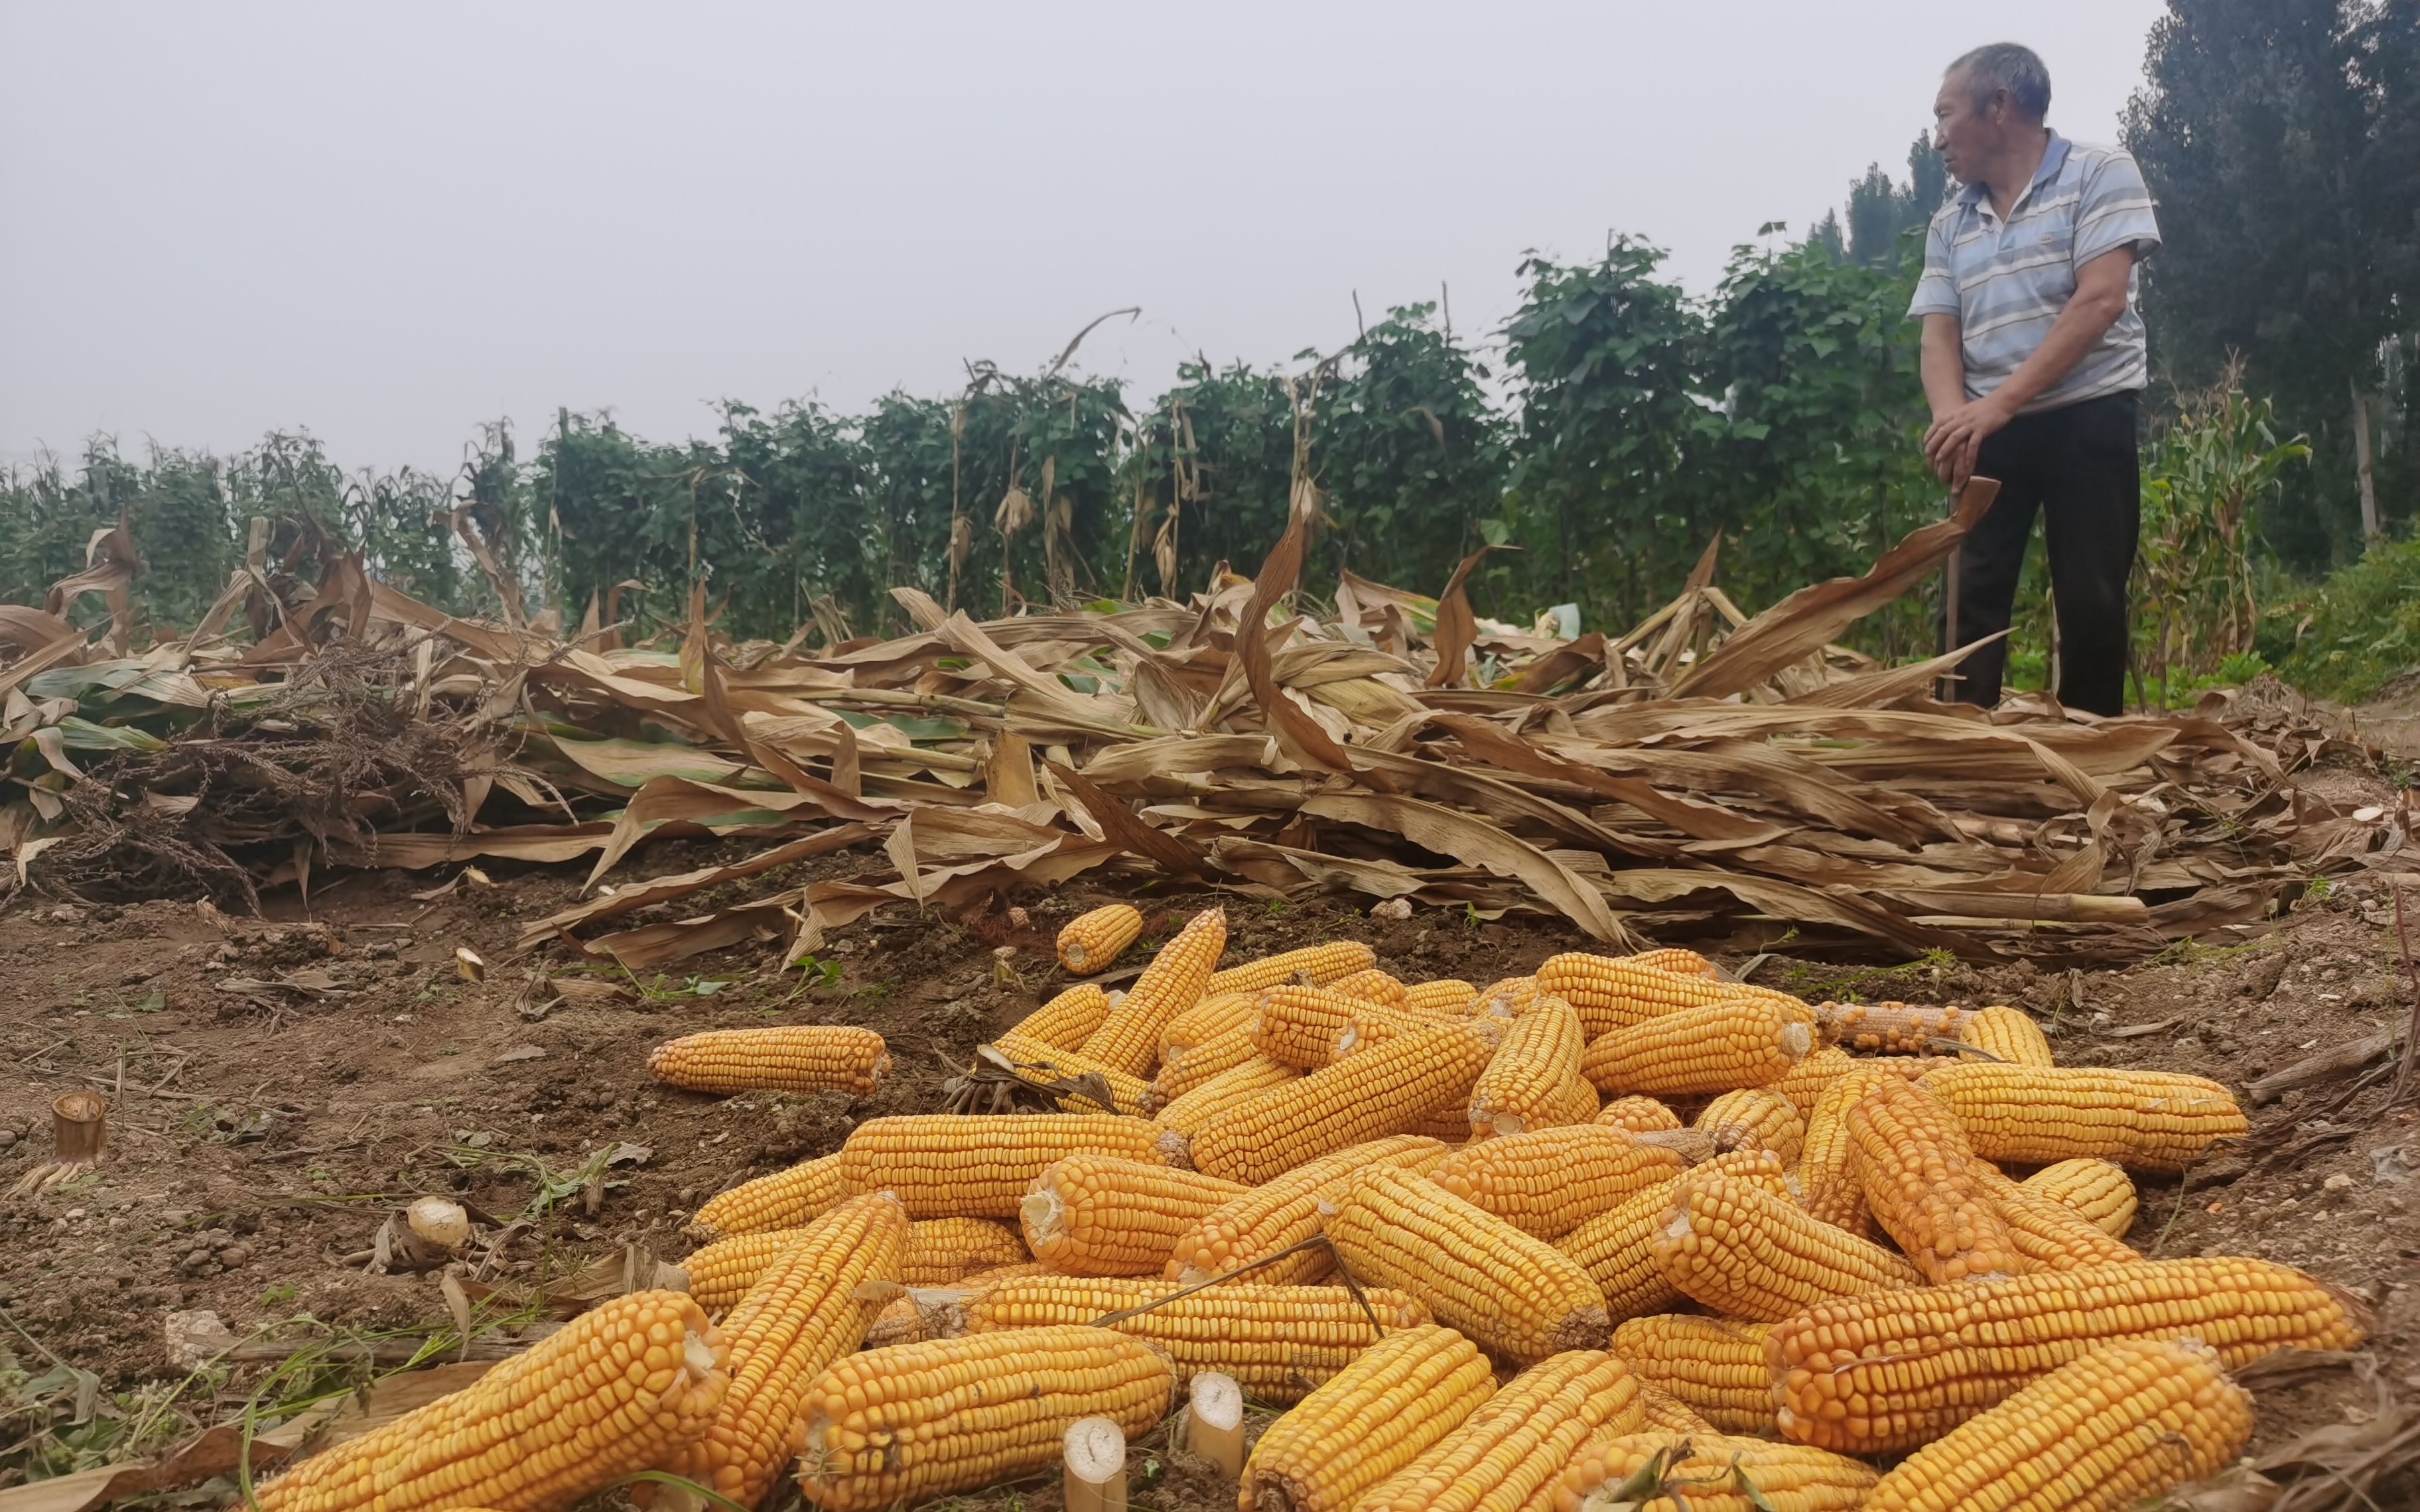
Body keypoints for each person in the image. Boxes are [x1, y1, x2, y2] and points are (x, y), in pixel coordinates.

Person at [1912, 42, 2162, 716]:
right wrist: (1951, 421)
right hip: (1986, 428)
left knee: (2092, 595)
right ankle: (1957, 749)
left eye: (1945, 116)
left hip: (2088, 416)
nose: (1938, 139)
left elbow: (2100, 300)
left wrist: (1995, 406)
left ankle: (2091, 755)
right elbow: (1939, 331)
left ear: (1999, 106)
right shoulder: (1951, 219)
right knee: (1970, 595)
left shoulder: (2099, 173)